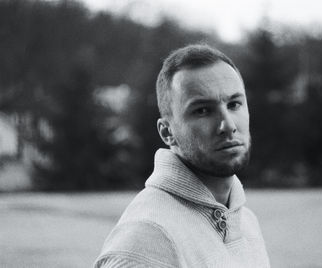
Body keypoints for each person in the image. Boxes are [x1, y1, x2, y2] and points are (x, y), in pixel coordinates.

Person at [94, 44, 271, 267]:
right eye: (202, 111)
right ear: (167, 132)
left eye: (234, 104)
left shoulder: (247, 223)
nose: (227, 125)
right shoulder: (146, 241)